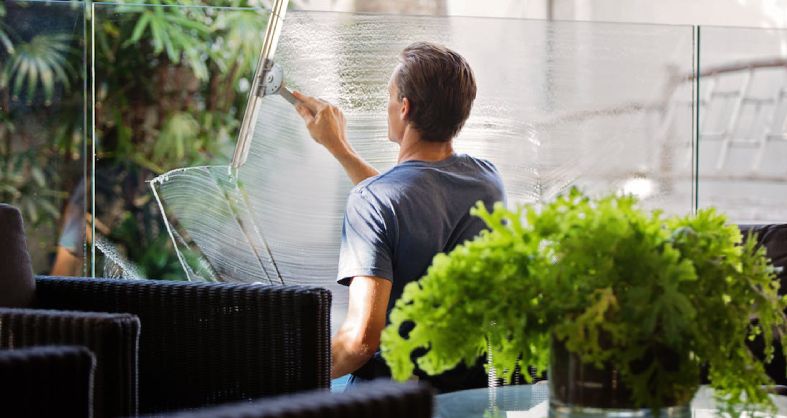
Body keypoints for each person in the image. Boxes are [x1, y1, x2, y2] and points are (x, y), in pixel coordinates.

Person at [293, 41, 506, 392]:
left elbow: (360, 342)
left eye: (389, 96)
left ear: (404, 108)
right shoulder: (488, 181)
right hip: (467, 393)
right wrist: (340, 149)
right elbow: (412, 201)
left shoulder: (374, 201)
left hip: (393, 398)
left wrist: (285, 371)